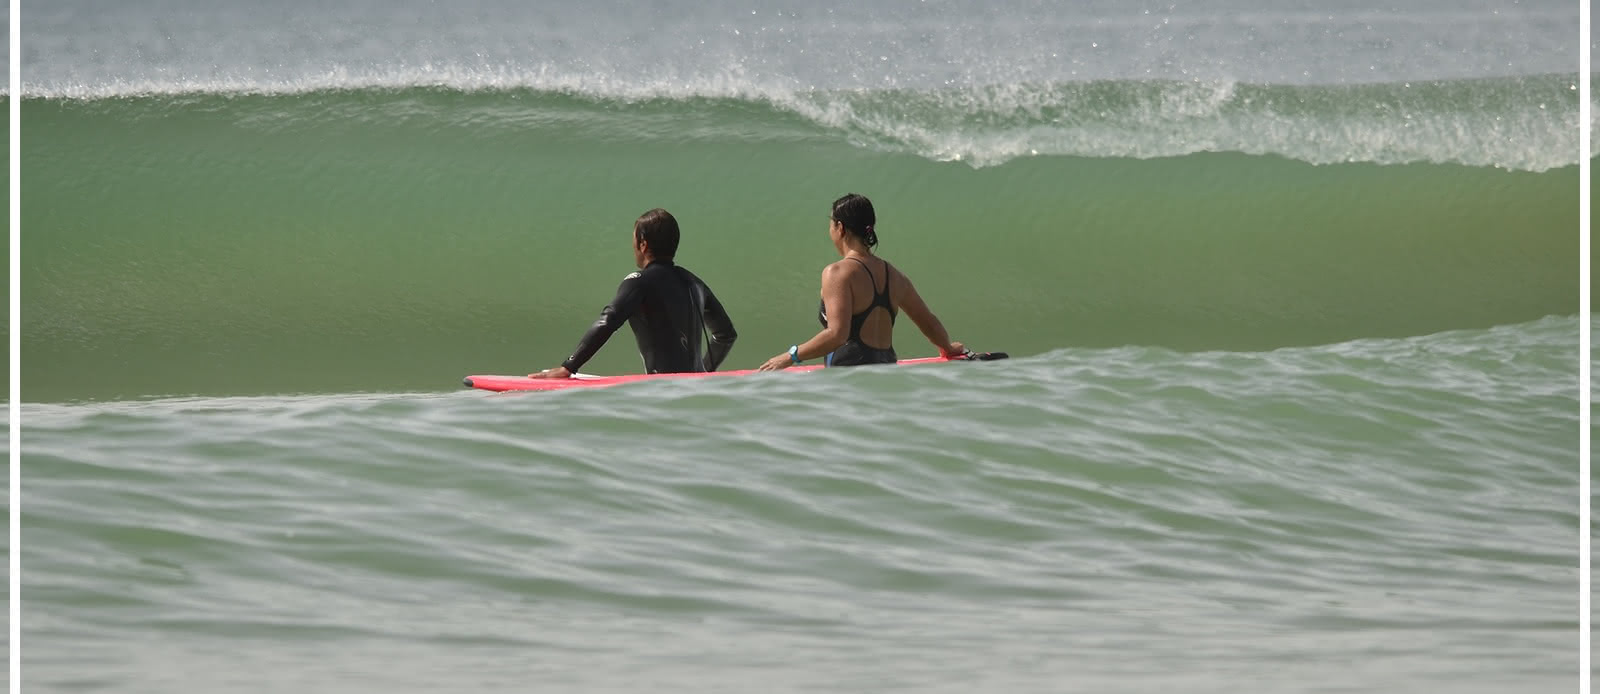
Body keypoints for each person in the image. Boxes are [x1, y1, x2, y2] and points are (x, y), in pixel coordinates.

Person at [759, 193, 963, 371]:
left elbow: (837, 335)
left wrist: (790, 356)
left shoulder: (837, 273)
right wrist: (948, 347)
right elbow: (928, 321)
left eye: (831, 223)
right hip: (887, 374)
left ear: (840, 227)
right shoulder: (895, 275)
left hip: (848, 380)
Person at [529, 208, 737, 378]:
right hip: (695, 389)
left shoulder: (640, 282)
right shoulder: (695, 283)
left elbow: (608, 321)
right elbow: (726, 334)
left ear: (643, 244)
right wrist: (703, 375)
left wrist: (568, 366)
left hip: (663, 391)